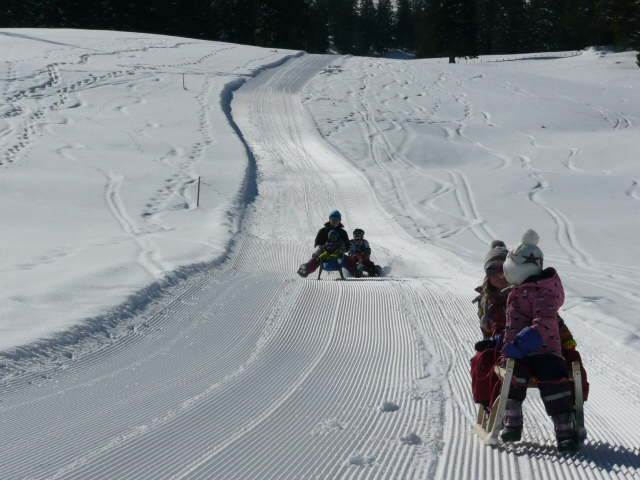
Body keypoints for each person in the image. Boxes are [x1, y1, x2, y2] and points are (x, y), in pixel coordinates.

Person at [499, 229, 580, 453]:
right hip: (520, 354)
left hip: (546, 352)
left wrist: (520, 345)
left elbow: (544, 322)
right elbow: (513, 326)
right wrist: (504, 345)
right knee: (512, 375)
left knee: (555, 382)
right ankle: (512, 420)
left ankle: (565, 429)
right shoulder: (520, 290)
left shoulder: (542, 292)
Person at [297, 210, 358, 278]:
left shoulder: (342, 232)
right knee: (318, 257)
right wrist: (323, 248)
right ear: (329, 219)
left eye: (337, 218)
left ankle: (356, 271)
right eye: (333, 218)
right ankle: (305, 269)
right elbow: (317, 243)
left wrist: (341, 249)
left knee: (346, 259)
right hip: (324, 251)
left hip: (337, 252)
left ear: (339, 220)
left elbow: (347, 246)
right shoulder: (323, 231)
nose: (335, 220)